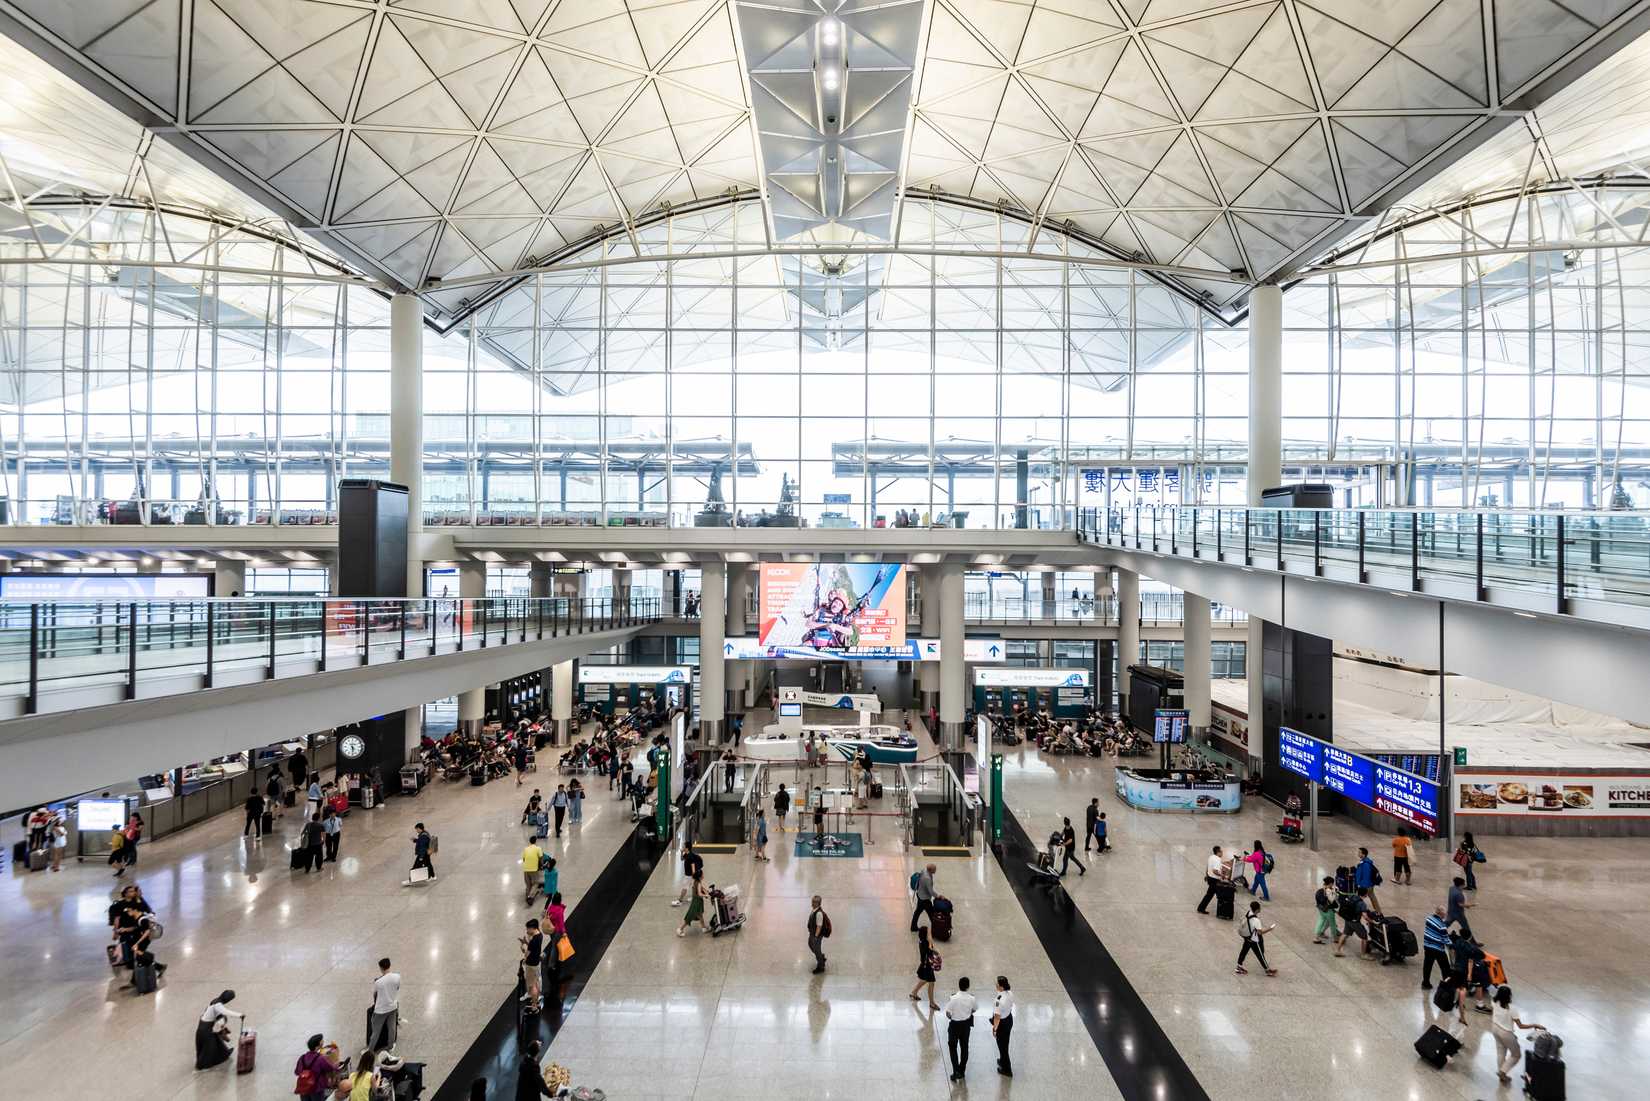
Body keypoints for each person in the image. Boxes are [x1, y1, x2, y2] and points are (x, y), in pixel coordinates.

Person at [1489, 984, 1541, 1082]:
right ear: (1509, 996)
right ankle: (1502, 1072)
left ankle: (1501, 1074)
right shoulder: (1512, 1009)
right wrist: (1535, 1025)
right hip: (1506, 1033)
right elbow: (1521, 1026)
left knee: (1500, 1052)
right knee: (1516, 1055)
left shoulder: (1494, 1001)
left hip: (1495, 1028)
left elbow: (1495, 1013)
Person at [195, 990, 241, 1069]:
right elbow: (226, 1012)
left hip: (203, 1026)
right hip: (206, 1029)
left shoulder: (215, 1001)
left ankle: (224, 1054)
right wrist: (240, 1015)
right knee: (208, 1048)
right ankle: (203, 1065)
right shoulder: (218, 1005)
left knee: (216, 1041)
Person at [944, 977, 976, 1081]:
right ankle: (962, 1071)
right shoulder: (972, 998)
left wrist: (952, 1017)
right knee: (964, 1047)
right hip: (966, 1026)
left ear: (959, 985)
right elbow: (974, 1009)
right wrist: (967, 1013)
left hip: (954, 1026)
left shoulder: (953, 998)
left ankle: (955, 1071)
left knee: (953, 1047)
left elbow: (948, 1013)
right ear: (968, 986)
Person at [1235, 900, 1277, 976]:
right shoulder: (1256, 920)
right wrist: (1270, 928)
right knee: (1260, 954)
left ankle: (1239, 967)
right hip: (1253, 939)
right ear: (1257, 910)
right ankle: (1267, 970)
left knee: (1244, 952)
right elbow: (1260, 933)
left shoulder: (1248, 913)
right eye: (1259, 908)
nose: (1260, 909)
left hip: (1246, 936)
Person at [295, 1033, 339, 1101]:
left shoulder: (302, 1058)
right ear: (318, 1045)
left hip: (304, 1088)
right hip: (316, 1089)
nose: (323, 1042)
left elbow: (297, 1072)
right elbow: (330, 1068)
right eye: (321, 1041)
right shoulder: (320, 1059)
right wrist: (336, 1064)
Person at [368, 958, 400, 1051]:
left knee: (376, 1031)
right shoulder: (397, 976)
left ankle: (370, 1050)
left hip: (381, 1010)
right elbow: (397, 988)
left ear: (381, 968)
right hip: (393, 1007)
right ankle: (390, 1046)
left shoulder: (378, 982)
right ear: (389, 965)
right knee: (392, 1028)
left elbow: (375, 994)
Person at [1421, 905, 1453, 989]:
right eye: (1445, 914)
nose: (1446, 915)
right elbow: (1446, 940)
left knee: (1427, 965)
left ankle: (1425, 983)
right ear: (1441, 914)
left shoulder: (1429, 919)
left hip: (1427, 946)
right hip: (1438, 949)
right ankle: (1447, 985)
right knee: (1445, 967)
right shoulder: (1442, 926)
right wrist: (1452, 944)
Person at [909, 925, 939, 1008]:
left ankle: (914, 993)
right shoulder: (926, 943)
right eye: (929, 932)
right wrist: (930, 942)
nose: (930, 933)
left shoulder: (922, 941)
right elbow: (930, 951)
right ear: (926, 934)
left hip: (924, 964)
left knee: (924, 980)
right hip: (927, 966)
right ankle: (932, 1003)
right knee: (931, 983)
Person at [990, 976, 1014, 1077]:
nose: (996, 985)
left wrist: (995, 1029)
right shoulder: (1010, 993)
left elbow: (997, 1017)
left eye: (997, 984)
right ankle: (1002, 1060)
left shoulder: (999, 1001)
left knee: (1002, 1047)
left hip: (1002, 1024)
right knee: (1005, 1043)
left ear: (1001, 987)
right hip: (1009, 1019)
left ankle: (1007, 1069)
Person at [520, 919, 544, 1009]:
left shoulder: (534, 940)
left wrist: (523, 947)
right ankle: (536, 1001)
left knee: (532, 985)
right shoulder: (540, 935)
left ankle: (534, 1006)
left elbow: (526, 954)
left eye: (528, 929)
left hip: (531, 965)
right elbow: (534, 948)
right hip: (537, 963)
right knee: (536, 983)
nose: (527, 931)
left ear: (532, 928)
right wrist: (526, 942)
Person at [1196, 845, 1227, 914]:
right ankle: (1223, 911)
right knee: (1220, 895)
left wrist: (1206, 875)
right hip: (1214, 880)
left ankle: (1201, 908)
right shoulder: (1217, 859)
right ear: (1218, 852)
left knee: (1210, 894)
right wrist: (1222, 875)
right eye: (1221, 851)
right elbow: (1215, 871)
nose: (1222, 853)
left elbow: (1208, 867)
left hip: (1210, 878)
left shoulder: (1211, 857)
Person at [676, 870, 709, 936]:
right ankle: (680, 929)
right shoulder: (699, 883)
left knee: (700, 915)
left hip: (696, 900)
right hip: (697, 902)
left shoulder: (696, 882)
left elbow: (701, 889)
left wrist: (706, 891)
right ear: (700, 877)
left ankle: (704, 928)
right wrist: (706, 895)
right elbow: (699, 893)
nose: (703, 875)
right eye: (702, 874)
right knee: (690, 915)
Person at [672, 842, 704, 907]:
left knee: (684, 888)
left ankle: (679, 901)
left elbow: (693, 867)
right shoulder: (686, 854)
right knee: (692, 887)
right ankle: (693, 898)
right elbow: (681, 859)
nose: (683, 847)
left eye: (684, 846)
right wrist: (681, 852)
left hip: (689, 876)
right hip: (689, 875)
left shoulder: (690, 856)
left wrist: (694, 876)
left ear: (687, 848)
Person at [1447, 875, 1475, 940]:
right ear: (1460, 885)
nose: (1464, 886)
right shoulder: (1459, 894)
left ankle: (1437, 934)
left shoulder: (1451, 888)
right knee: (1466, 928)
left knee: (1446, 925)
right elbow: (1460, 904)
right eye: (1463, 884)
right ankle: (1473, 942)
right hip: (1459, 914)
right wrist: (1470, 905)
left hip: (1451, 911)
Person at [806, 894, 829, 973]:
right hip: (812, 933)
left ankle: (821, 966)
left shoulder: (819, 913)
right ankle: (821, 957)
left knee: (817, 949)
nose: (811, 903)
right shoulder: (814, 910)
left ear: (817, 903)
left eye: (813, 902)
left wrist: (815, 937)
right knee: (810, 944)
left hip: (816, 935)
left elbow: (819, 926)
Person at [1312, 875, 1337, 944]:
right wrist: (1334, 892)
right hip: (1328, 910)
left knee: (1320, 921)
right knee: (1332, 923)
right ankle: (1335, 938)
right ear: (1331, 883)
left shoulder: (1321, 889)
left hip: (1321, 909)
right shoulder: (1328, 890)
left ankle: (1316, 937)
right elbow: (1331, 900)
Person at [521, 837, 544, 905]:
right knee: (536, 883)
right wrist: (542, 865)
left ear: (530, 841)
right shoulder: (538, 848)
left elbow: (524, 859)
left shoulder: (526, 849)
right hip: (534, 869)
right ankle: (530, 897)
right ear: (535, 841)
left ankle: (527, 896)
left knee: (528, 884)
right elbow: (541, 857)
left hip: (525, 869)